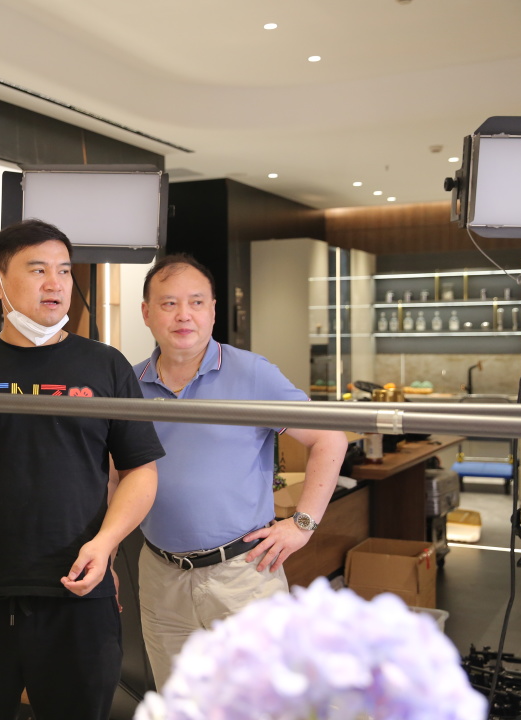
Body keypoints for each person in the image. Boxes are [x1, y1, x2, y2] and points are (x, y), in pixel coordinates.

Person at [0, 218, 164, 720]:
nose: (55, 283)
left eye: (63, 270)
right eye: (37, 270)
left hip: (78, 589)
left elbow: (141, 471)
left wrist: (106, 545)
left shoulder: (106, 366)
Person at [133, 253, 348, 689]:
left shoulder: (251, 373)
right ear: (147, 312)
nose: (183, 315)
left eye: (196, 302)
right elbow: (117, 476)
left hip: (242, 574)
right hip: (160, 575)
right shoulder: (129, 384)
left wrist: (303, 524)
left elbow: (329, 438)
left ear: (213, 310)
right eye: (169, 303)